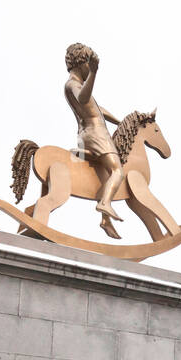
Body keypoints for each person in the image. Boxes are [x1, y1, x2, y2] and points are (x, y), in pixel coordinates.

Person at [64, 43, 125, 239]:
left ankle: (105, 221)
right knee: (118, 171)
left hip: (88, 134)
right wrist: (95, 74)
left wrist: (119, 121)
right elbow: (83, 99)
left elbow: (97, 108)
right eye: (88, 66)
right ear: (81, 63)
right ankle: (105, 204)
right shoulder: (73, 84)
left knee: (106, 173)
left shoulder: (79, 85)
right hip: (95, 134)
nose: (90, 69)